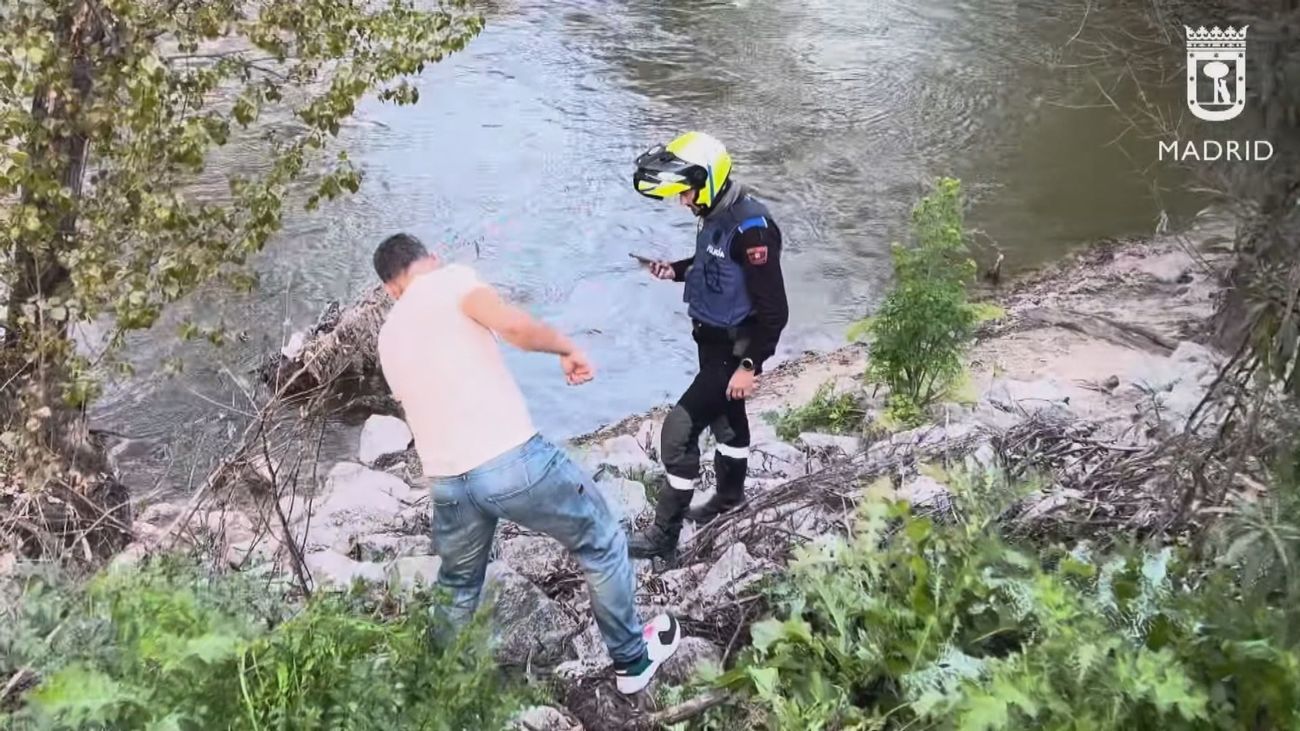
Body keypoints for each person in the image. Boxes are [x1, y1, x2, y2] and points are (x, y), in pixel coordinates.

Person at [372, 233, 680, 694]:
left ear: (389, 289)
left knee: (457, 584)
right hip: (511, 462)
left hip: (447, 482)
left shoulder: (388, 335)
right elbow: (512, 326)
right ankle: (632, 661)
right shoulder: (451, 280)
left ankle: (439, 695)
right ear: (430, 259)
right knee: (602, 540)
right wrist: (565, 347)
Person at [627, 131, 790, 562]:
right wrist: (675, 270)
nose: (683, 201)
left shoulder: (753, 230)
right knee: (727, 422)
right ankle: (730, 500)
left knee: (677, 436)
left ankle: (664, 536)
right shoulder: (716, 213)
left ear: (712, 179)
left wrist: (750, 365)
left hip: (733, 352)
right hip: (710, 341)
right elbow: (712, 265)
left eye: (687, 193)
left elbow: (775, 311)